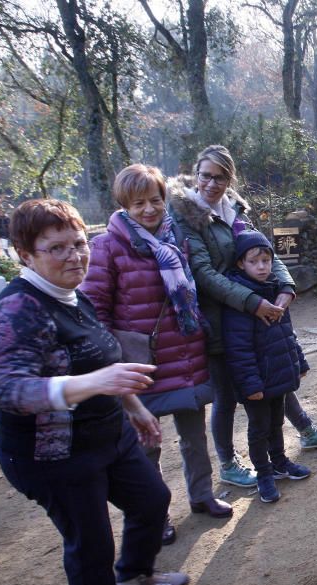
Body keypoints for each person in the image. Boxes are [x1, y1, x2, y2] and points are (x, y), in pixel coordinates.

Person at [0, 199, 188, 585]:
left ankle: (135, 576)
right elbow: (11, 389)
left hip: (107, 433)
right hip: (52, 454)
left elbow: (102, 358)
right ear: (25, 253)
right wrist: (95, 384)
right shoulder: (19, 307)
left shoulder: (74, 294)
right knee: (91, 540)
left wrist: (133, 406)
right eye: (56, 248)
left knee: (152, 500)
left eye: (79, 244)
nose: (74, 256)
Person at [168, 145, 317, 490]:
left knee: (275, 376)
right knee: (225, 395)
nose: (212, 183)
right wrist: (253, 302)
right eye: (206, 175)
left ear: (229, 179)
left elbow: (264, 249)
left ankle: (306, 431)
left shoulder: (234, 210)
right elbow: (203, 272)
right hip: (220, 319)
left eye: (220, 177)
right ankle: (228, 463)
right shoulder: (186, 215)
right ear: (196, 174)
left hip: (256, 310)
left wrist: (286, 288)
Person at [81, 164, 233, 547]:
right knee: (147, 442)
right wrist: (109, 356)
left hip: (184, 351)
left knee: (194, 435)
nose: (148, 209)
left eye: (154, 200)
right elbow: (94, 306)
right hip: (141, 360)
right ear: (124, 205)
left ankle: (201, 495)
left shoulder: (175, 236)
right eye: (138, 203)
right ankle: (155, 512)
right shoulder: (107, 246)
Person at [223, 231, 312, 503]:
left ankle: (280, 462)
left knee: (275, 422)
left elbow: (287, 333)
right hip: (257, 382)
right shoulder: (241, 301)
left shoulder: (276, 291)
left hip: (278, 375)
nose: (262, 267)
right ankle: (263, 473)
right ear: (241, 264)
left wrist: (299, 361)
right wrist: (251, 385)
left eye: (266, 260)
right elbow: (238, 349)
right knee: (259, 427)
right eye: (254, 262)